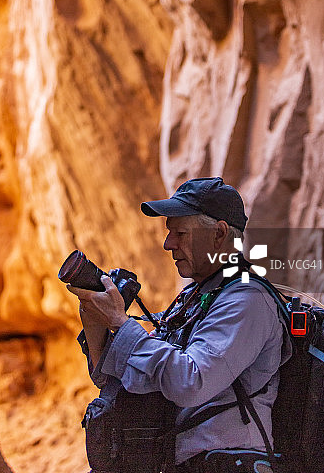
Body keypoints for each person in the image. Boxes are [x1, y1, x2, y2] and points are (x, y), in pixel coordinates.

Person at [67, 177, 291, 473]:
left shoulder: (247, 300)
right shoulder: (197, 296)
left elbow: (191, 382)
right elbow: (122, 382)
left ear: (219, 234)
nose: (168, 244)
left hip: (226, 465)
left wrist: (120, 322)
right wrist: (95, 319)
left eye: (180, 233)